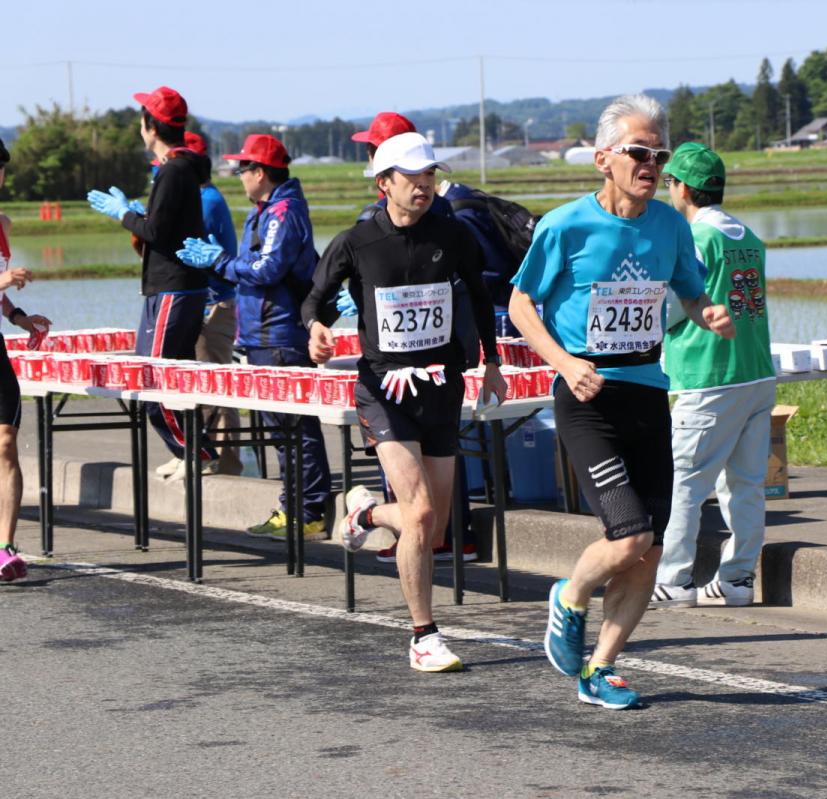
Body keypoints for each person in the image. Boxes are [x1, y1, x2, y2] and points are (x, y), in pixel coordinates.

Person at [508, 95, 734, 709]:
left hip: (647, 392)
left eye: (658, 155)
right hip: (587, 395)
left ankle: (600, 669)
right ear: (604, 159)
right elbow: (521, 304)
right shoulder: (565, 225)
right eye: (639, 152)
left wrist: (706, 312)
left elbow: (690, 292)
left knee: (650, 550)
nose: (652, 164)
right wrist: (564, 363)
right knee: (628, 534)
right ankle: (570, 596)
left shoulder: (668, 225)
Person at [303, 132, 506, 672]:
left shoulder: (453, 233)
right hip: (384, 389)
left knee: (432, 527)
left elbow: (481, 296)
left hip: (442, 384)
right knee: (417, 514)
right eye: (411, 178)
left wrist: (491, 362)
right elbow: (315, 296)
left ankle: (365, 511)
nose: (423, 186)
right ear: (383, 183)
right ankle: (424, 636)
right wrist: (316, 327)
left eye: (429, 176)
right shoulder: (357, 240)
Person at [177, 134, 330, 540]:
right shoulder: (266, 210)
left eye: (243, 169)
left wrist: (220, 261)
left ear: (260, 172)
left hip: (280, 335)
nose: (239, 176)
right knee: (282, 433)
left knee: (296, 429)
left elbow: (266, 270)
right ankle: (292, 507)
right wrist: (220, 264)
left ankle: (310, 512)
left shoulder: (283, 212)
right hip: (262, 335)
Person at [649, 142, 775, 609]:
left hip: (708, 375)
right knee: (744, 483)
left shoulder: (699, 238)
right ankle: (738, 578)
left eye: (669, 184)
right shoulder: (747, 236)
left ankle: (674, 579)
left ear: (682, 188)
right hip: (756, 373)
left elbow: (676, 305)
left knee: (686, 480)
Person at [86, 85, 217, 469]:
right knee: (169, 379)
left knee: (153, 379)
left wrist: (123, 214)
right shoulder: (176, 169)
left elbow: (157, 233)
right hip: (172, 288)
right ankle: (189, 451)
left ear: (151, 126)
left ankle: (197, 453)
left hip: (173, 289)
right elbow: (165, 225)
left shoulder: (174, 170)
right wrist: (137, 212)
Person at [155, 131, 242, 479]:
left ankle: (227, 465)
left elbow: (171, 244)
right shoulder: (199, 196)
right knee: (194, 385)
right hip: (200, 302)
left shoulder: (204, 200)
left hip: (213, 304)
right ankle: (191, 451)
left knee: (215, 388)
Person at [0, 138, 53, 582]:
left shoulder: (2, 222)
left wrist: (19, 316)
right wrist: (4, 276)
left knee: (5, 441)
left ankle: (5, 548)